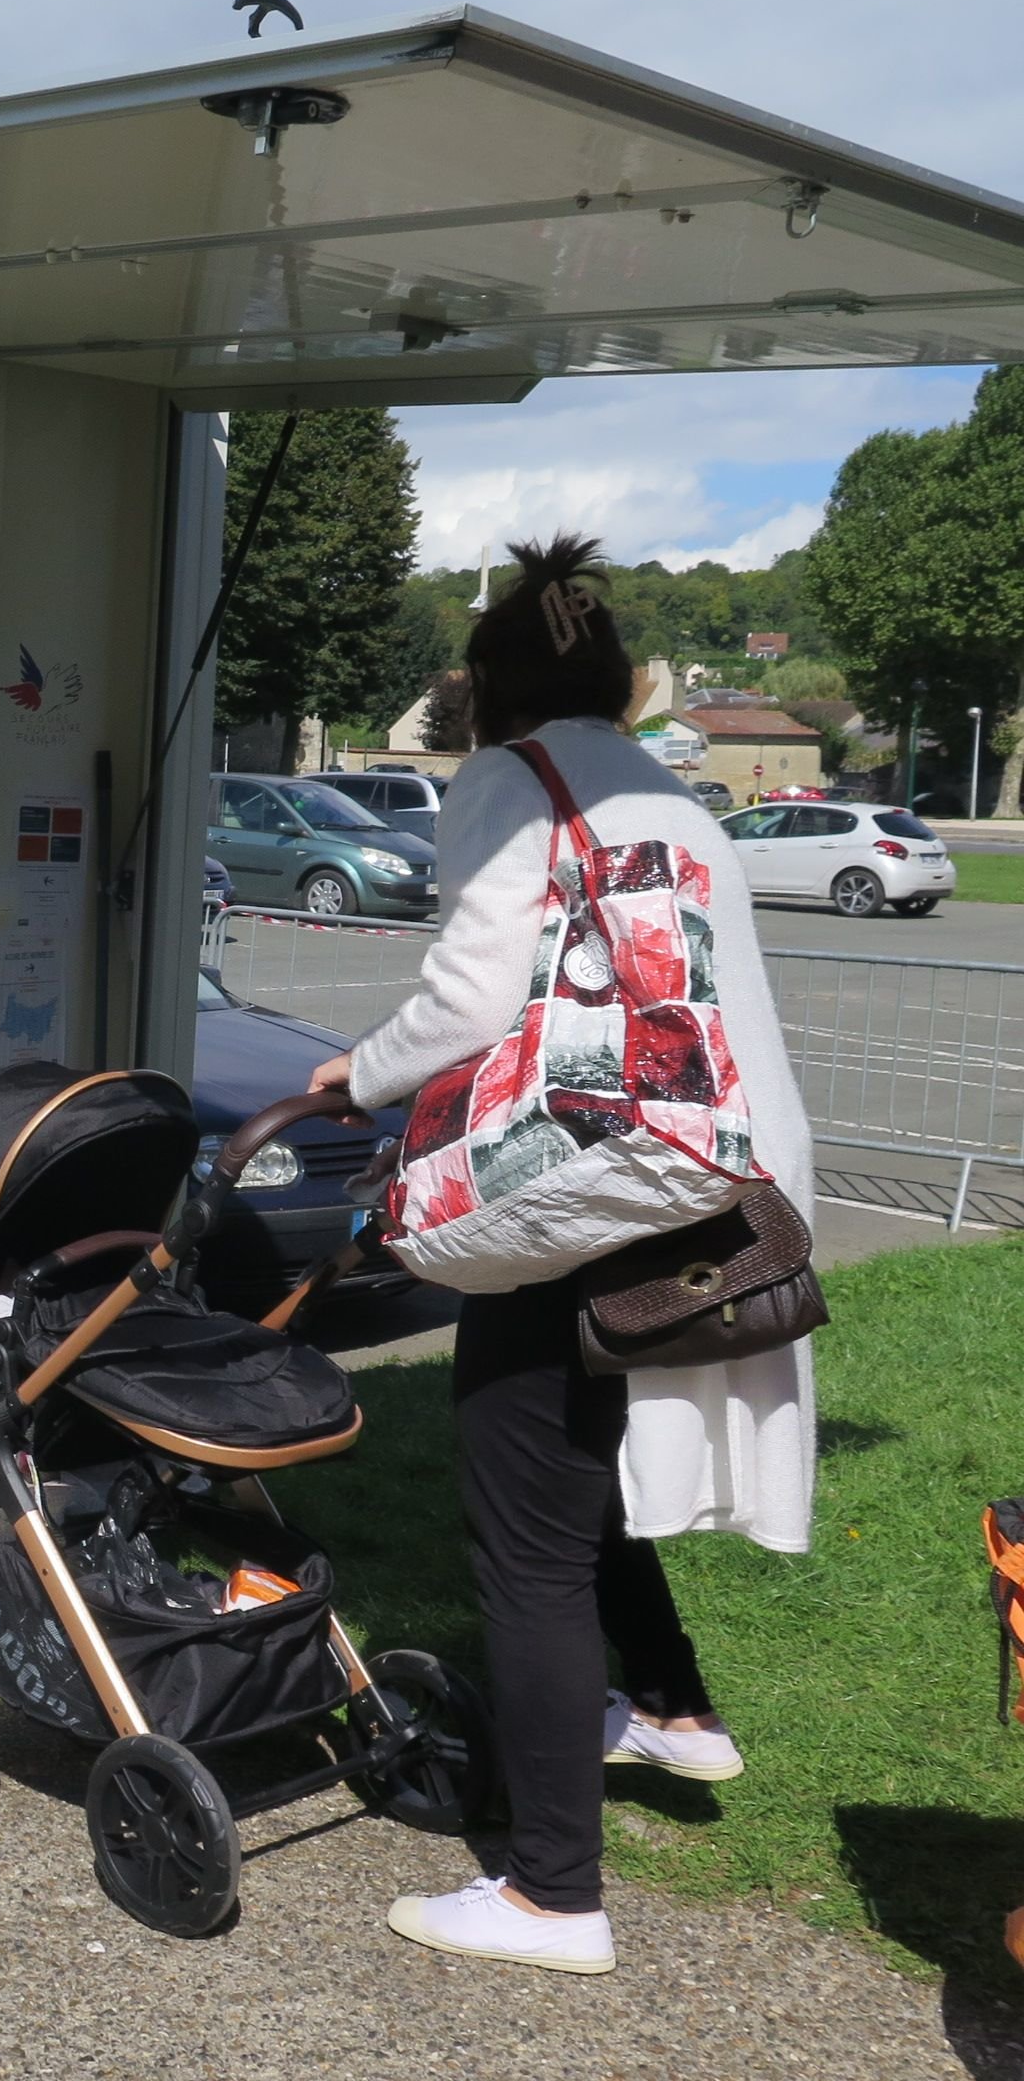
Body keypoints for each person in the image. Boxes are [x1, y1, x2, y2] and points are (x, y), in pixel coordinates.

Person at [307, 534, 815, 1976]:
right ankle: (671, 1706)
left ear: (488, 688)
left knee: (522, 1527)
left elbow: (470, 996)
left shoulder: (506, 780)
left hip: (587, 1189)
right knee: (590, 1463)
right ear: (625, 676)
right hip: (718, 1185)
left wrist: (358, 1073)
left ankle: (549, 1893)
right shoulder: (678, 795)